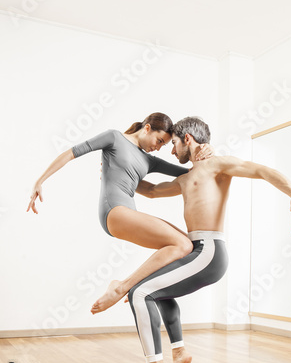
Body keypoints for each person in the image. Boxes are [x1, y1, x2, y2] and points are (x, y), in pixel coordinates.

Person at [121, 116, 291, 363]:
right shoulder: (185, 178)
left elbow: (262, 170)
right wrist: (119, 172)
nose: (171, 151)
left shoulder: (217, 165)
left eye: (175, 144)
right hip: (196, 251)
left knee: (139, 293)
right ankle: (180, 356)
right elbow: (153, 191)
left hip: (209, 252)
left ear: (188, 140)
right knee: (157, 292)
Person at [26, 113, 212, 309]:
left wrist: (208, 150)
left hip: (127, 213)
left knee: (189, 247)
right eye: (158, 141)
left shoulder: (149, 160)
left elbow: (193, 172)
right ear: (147, 128)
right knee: (183, 244)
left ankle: (148, 289)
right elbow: (71, 153)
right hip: (114, 211)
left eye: (163, 145)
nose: (158, 147)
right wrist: (39, 181)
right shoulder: (114, 138)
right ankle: (122, 287)